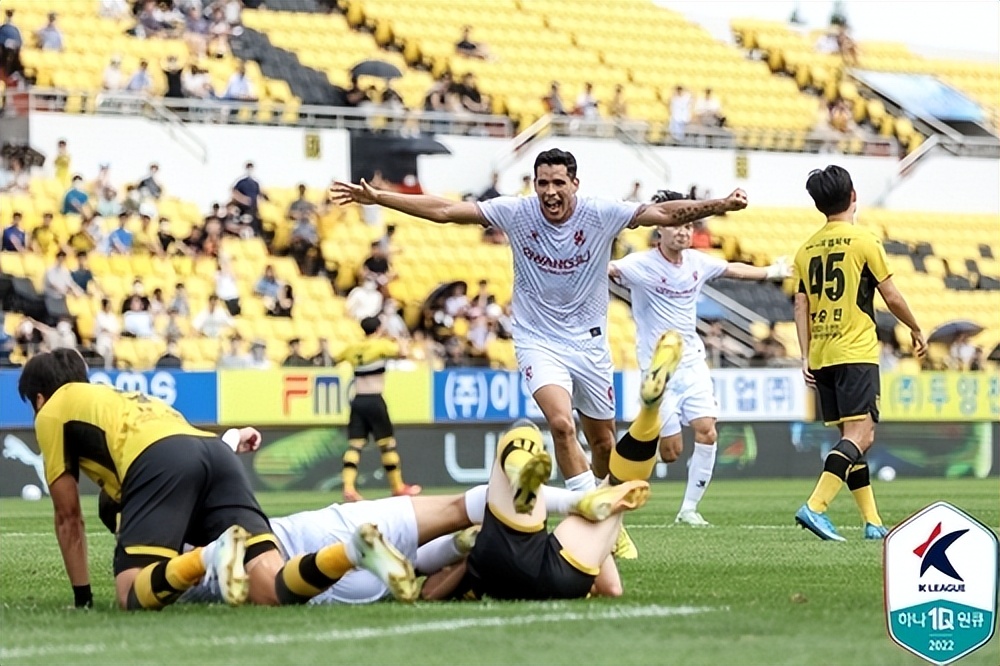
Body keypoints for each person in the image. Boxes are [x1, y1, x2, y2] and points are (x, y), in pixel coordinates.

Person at [330, 148, 747, 526]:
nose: (549, 191)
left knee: (603, 442)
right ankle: (592, 515)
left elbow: (665, 214)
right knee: (562, 426)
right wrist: (380, 198)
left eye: (558, 183)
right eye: (542, 182)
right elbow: (445, 210)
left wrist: (722, 206)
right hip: (538, 340)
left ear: (574, 184)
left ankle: (603, 495)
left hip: (590, 343)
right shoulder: (517, 212)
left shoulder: (601, 212)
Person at [17, 349, 419, 610]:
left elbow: (68, 516)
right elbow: (172, 456)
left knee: (130, 594)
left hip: (160, 461)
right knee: (270, 589)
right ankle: (351, 553)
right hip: (213, 454)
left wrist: (83, 599)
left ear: (38, 398)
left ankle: (211, 555)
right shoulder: (116, 396)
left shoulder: (52, 410)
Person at [427, 331, 683, 601]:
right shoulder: (400, 525)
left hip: (515, 570)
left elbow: (429, 592)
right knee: (524, 431)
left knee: (615, 487)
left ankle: (531, 480)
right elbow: (611, 588)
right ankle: (649, 413)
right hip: (537, 566)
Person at [608, 189, 792, 526]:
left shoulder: (697, 262)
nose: (683, 231)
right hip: (657, 371)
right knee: (671, 451)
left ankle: (689, 510)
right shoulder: (640, 265)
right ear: (659, 229)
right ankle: (643, 422)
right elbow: (607, 270)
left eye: (690, 226)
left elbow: (734, 269)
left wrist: (771, 272)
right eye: (677, 224)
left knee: (707, 431)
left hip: (691, 361)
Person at [792, 166, 926, 541]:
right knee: (862, 435)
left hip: (823, 354)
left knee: (851, 438)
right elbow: (892, 296)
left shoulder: (805, 250)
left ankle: (872, 522)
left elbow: (799, 306)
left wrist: (805, 356)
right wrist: (915, 328)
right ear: (853, 195)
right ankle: (815, 507)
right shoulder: (864, 241)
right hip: (855, 349)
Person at [340, 316, 421, 502]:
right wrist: (396, 337)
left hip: (357, 399)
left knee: (355, 445)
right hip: (375, 399)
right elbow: (403, 352)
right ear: (378, 328)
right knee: (387, 445)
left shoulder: (353, 348)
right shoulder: (380, 345)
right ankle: (398, 487)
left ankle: (349, 487)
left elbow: (337, 356)